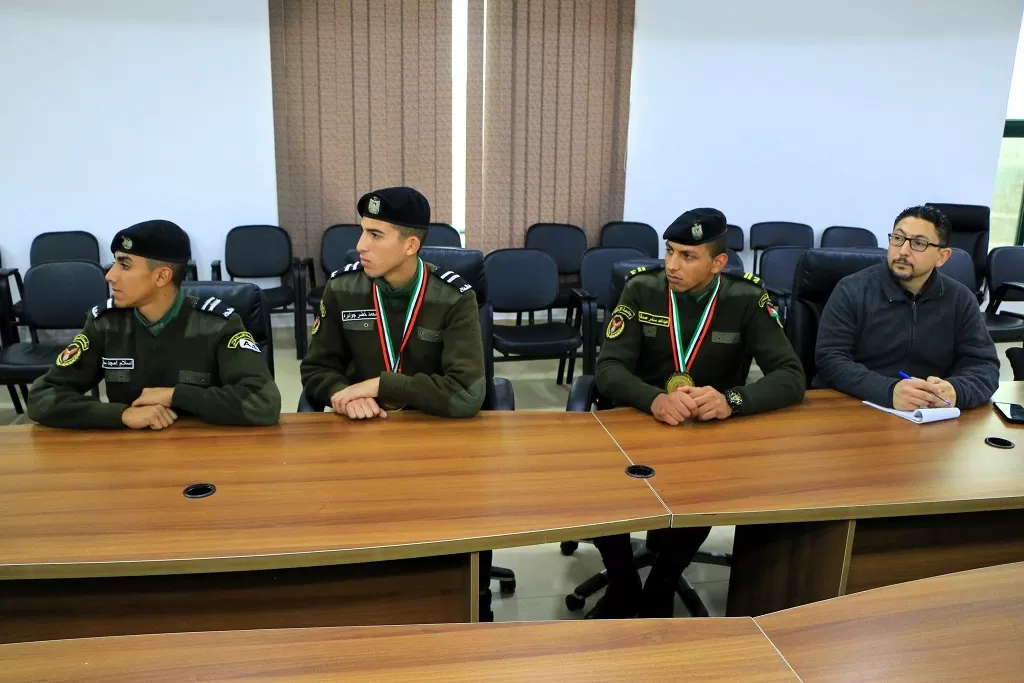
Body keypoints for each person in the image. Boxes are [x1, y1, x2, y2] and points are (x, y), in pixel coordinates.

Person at [588, 207, 806, 619]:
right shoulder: (641, 289)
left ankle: (662, 583)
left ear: (718, 262)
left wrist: (732, 400)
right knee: (599, 485)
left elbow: (791, 376)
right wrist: (654, 399)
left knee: (706, 486)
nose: (672, 264)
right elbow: (609, 369)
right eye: (670, 251)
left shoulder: (745, 298)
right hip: (639, 421)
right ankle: (623, 583)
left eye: (688, 256)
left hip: (706, 432)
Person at [28, 220, 281, 429]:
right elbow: (42, 397)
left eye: (124, 265)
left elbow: (264, 402)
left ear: (161, 276)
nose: (110, 275)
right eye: (114, 263)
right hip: (129, 452)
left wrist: (175, 395)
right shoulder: (106, 324)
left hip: (203, 450)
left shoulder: (216, 324)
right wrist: (120, 415)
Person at [300, 186, 486, 418]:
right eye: (363, 231)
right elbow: (316, 368)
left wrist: (382, 386)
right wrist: (345, 395)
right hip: (362, 422)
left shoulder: (453, 298)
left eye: (375, 235)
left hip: (430, 421)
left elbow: (466, 393)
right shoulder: (342, 288)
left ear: (410, 245)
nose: (360, 246)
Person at [814, 205, 999, 410]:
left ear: (942, 257)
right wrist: (888, 390)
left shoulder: (961, 299)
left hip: (928, 415)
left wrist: (957, 390)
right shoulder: (852, 289)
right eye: (898, 238)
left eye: (918, 243)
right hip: (856, 407)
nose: (902, 251)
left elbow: (984, 366)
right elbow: (830, 359)